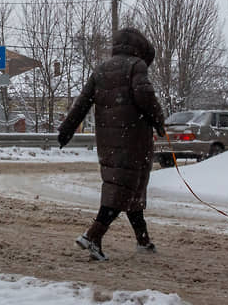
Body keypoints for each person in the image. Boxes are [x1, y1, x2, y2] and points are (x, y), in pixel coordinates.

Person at [57, 27, 166, 261]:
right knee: (123, 190)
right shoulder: (136, 66)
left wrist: (67, 129)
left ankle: (143, 240)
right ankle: (92, 235)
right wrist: (159, 122)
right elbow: (145, 97)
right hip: (134, 139)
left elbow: (82, 102)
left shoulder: (101, 70)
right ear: (141, 49)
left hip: (108, 140)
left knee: (130, 189)